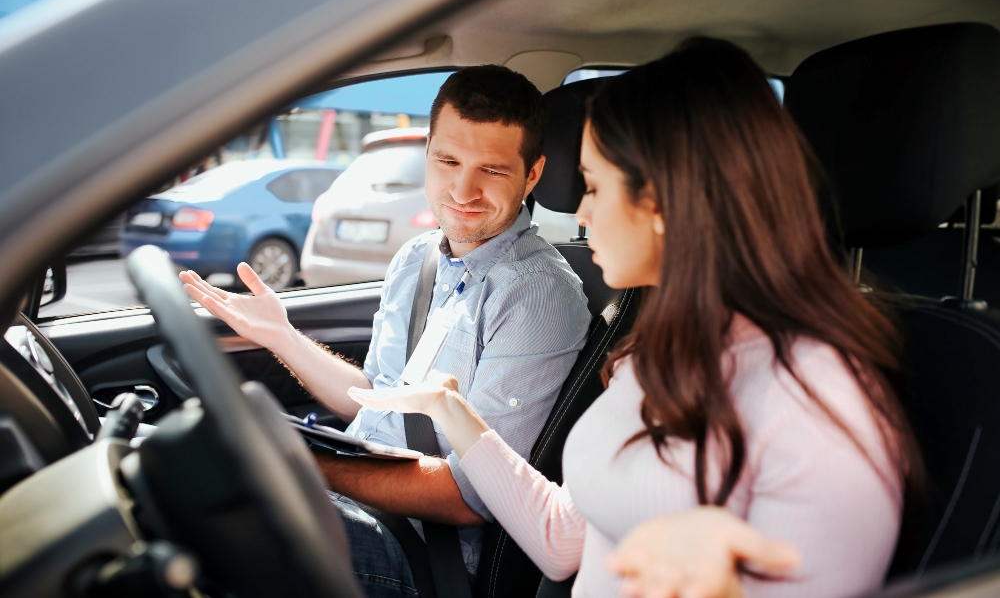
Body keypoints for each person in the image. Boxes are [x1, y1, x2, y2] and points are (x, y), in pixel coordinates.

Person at [349, 39, 922, 598]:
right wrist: (454, 414)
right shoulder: (662, 353)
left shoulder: (816, 400)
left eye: (595, 186)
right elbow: (561, 541)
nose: (581, 210)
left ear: (668, 203)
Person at [180, 65, 592, 596]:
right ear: (427, 154)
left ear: (532, 175)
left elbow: (471, 499)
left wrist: (306, 464)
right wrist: (280, 335)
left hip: (424, 556)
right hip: (361, 508)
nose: (463, 190)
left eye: (491, 170)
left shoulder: (537, 295)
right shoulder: (417, 259)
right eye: (448, 161)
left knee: (207, 519)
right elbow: (375, 401)